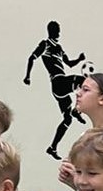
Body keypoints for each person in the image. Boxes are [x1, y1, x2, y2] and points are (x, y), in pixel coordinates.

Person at [23, 20, 90, 159]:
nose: (58, 33)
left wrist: (79, 59)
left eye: (59, 31)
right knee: (82, 81)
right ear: (51, 31)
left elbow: (69, 63)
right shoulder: (45, 44)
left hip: (60, 88)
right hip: (57, 81)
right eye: (56, 31)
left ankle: (52, 148)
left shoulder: (59, 48)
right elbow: (31, 58)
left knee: (67, 119)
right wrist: (27, 76)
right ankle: (76, 110)